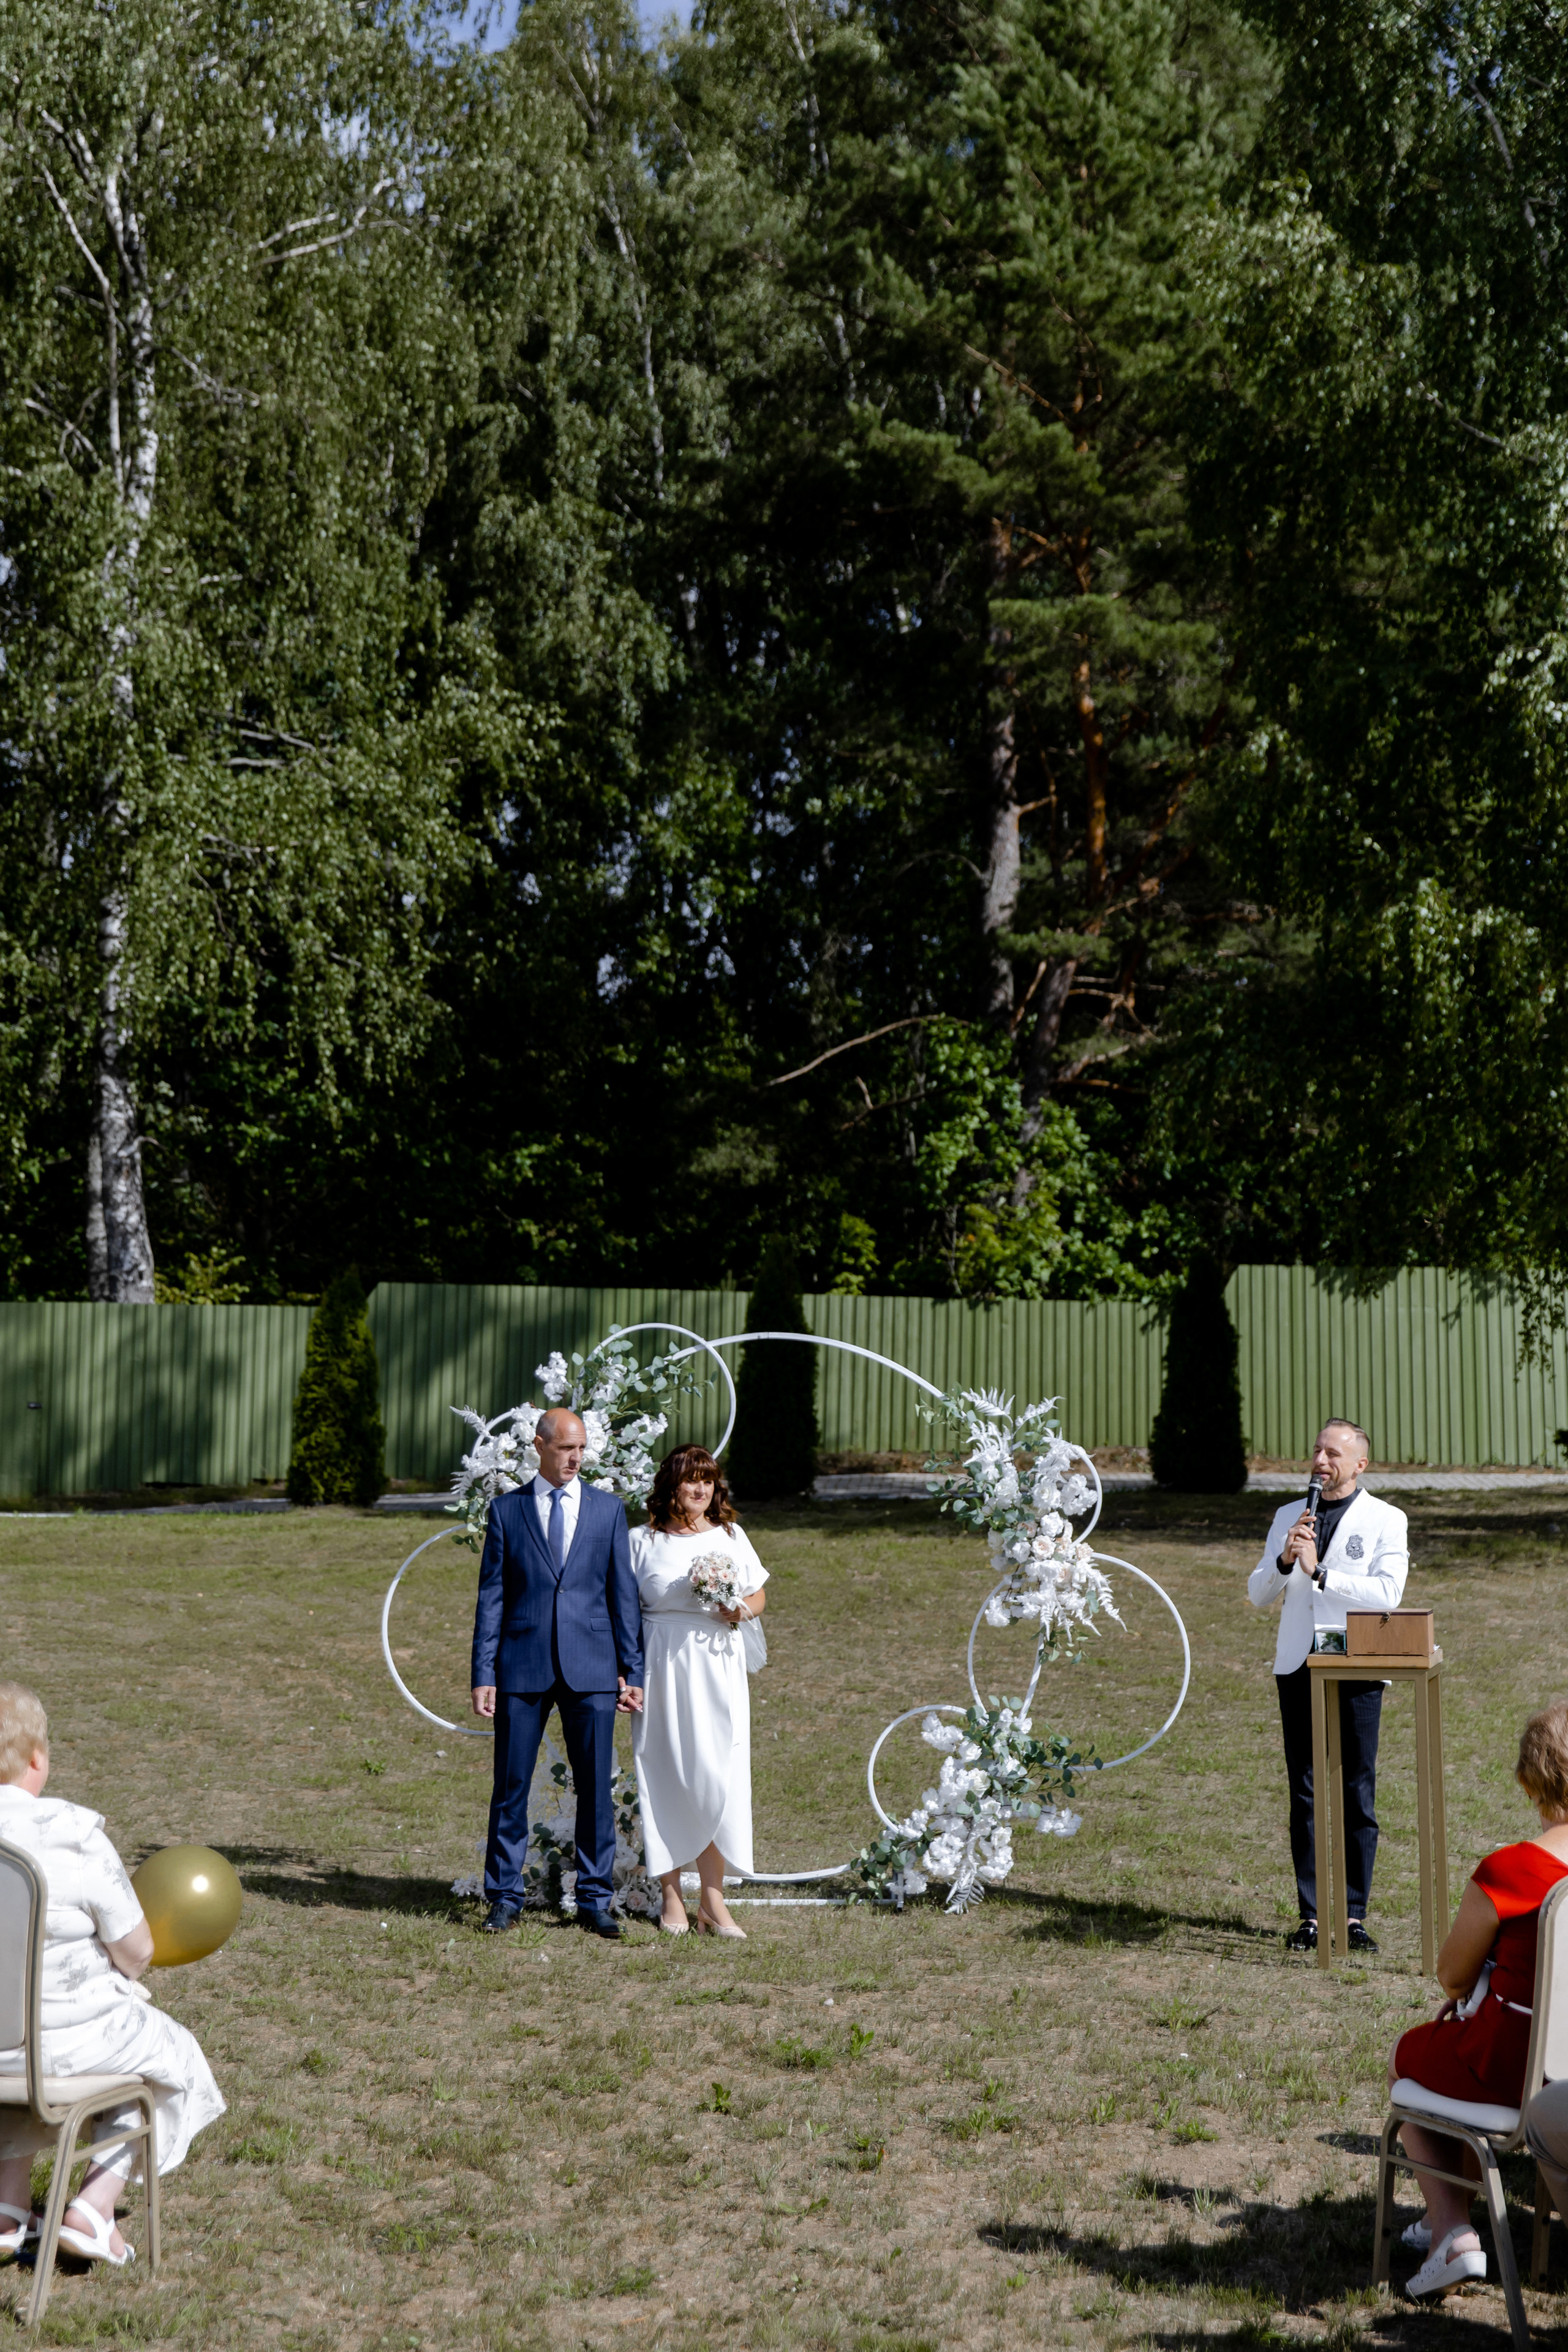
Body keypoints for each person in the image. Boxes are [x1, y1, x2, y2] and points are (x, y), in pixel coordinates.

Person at [0, 1682, 225, 2269]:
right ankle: (95, 2209)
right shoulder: (77, 1839)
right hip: (71, 2044)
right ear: (38, 1759)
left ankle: (7, 2210)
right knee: (161, 2056)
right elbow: (137, 1949)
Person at [1386, 1701, 1568, 2297]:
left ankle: (1452, 2231)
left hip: (1516, 2072)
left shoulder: (1513, 1872)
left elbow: (1450, 1976)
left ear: (1530, 1781)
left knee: (1408, 2056)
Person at [470, 1408, 644, 1941]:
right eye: (566, 1448)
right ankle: (503, 1897)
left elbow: (623, 1597)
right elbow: (492, 1597)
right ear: (541, 1446)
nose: (576, 1458)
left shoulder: (608, 1510)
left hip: (592, 1667)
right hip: (520, 1668)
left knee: (595, 1787)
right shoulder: (507, 1511)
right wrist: (483, 1671)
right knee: (511, 1786)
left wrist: (631, 1668)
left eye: (581, 1449)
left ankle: (594, 1899)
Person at [1247, 1418, 1409, 1954]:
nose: (1321, 1461)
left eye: (1333, 1453)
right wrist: (1285, 1560)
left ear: (1360, 1464)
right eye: (1317, 1450)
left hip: (1359, 1663)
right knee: (1307, 1792)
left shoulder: (1387, 1519)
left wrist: (1321, 1575)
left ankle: (1355, 1916)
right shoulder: (1288, 1516)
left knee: (1357, 1790)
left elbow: (1386, 1593)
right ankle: (1312, 1916)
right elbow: (1258, 1594)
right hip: (1299, 1665)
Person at [630, 1444, 769, 1939]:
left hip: (718, 1664)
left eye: (708, 1480)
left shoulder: (731, 1535)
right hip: (662, 1664)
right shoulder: (641, 1541)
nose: (700, 1489)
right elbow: (623, 1611)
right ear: (672, 1484)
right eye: (691, 1479)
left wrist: (742, 1611)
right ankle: (671, 1895)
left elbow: (759, 1593)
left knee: (721, 1773)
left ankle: (713, 1901)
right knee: (664, 1769)